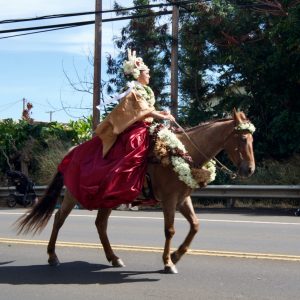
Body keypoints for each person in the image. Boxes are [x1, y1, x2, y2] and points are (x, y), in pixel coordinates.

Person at [58, 49, 175, 210]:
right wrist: (161, 115)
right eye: (147, 72)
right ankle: (128, 187)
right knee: (135, 147)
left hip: (148, 125)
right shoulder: (132, 89)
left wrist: (161, 113)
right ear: (138, 74)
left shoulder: (146, 90)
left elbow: (148, 110)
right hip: (135, 127)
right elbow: (141, 110)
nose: (149, 75)